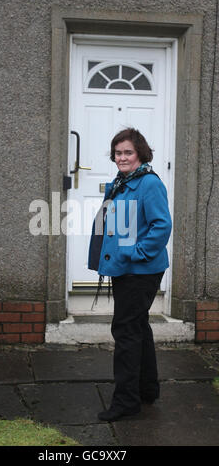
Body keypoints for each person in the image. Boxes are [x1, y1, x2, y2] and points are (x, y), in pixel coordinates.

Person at [88, 127, 172, 422]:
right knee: (138, 325)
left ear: (140, 154)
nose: (121, 157)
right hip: (126, 268)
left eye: (128, 152)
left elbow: (161, 226)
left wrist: (134, 253)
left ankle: (126, 402)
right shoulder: (123, 182)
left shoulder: (148, 184)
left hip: (141, 269)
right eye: (118, 152)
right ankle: (147, 390)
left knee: (125, 330)